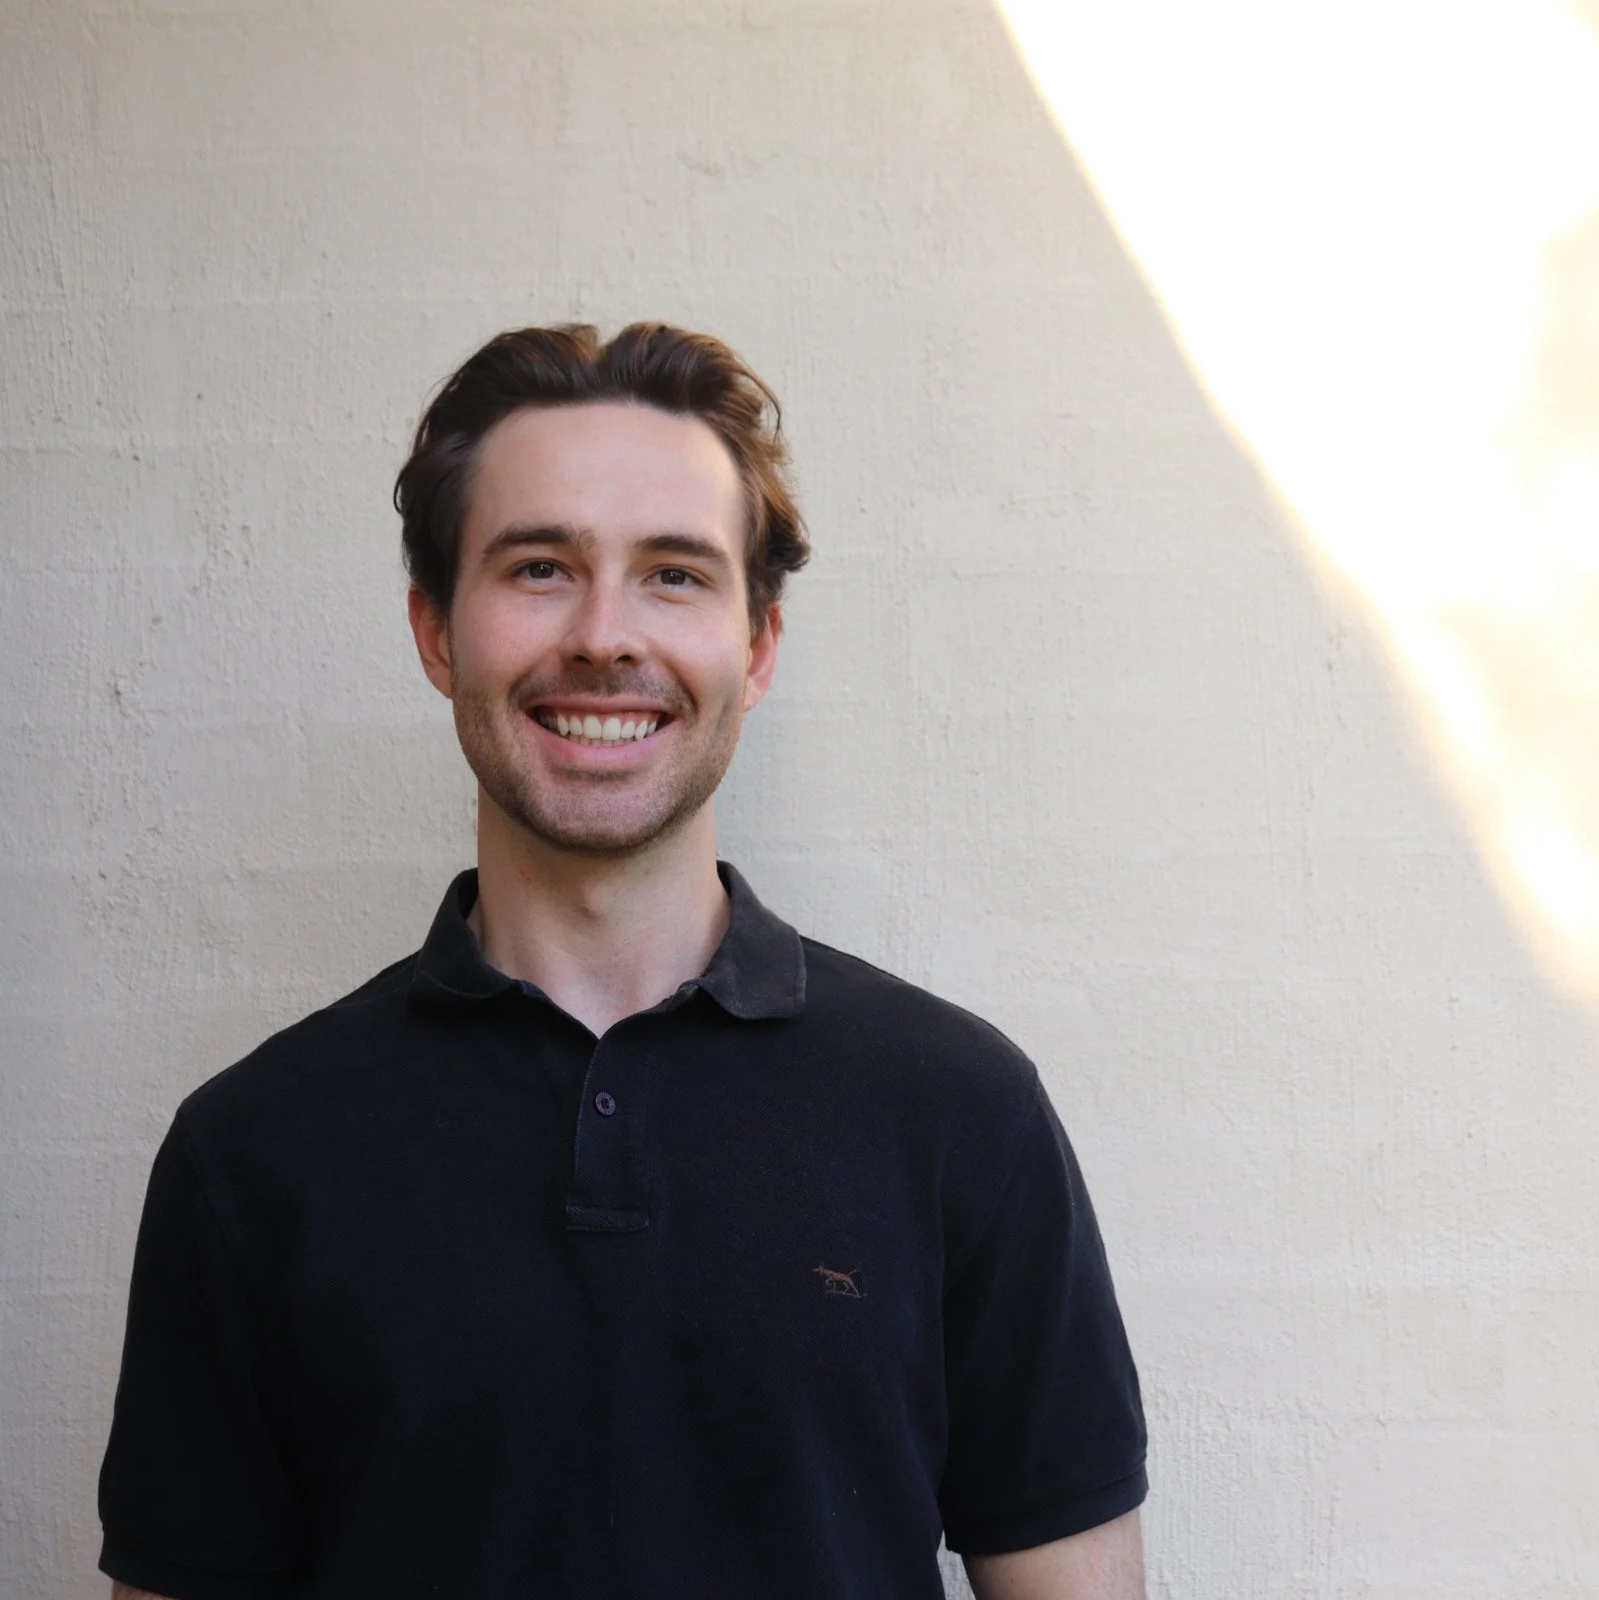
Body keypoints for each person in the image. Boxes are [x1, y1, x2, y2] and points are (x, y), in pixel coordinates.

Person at [96, 323, 1147, 1600]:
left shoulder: (959, 1113)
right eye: (540, 567)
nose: (604, 635)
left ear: (756, 647)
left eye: (674, 575)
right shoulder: (252, 1154)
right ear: (437, 631)